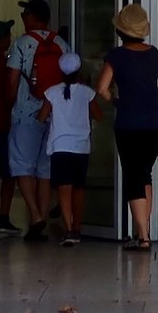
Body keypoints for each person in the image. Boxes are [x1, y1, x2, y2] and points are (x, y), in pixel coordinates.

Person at [96, 4, 158, 251]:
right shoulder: (154, 54)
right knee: (144, 173)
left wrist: (116, 101)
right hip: (156, 123)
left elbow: (102, 88)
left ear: (120, 31)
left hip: (129, 124)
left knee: (134, 176)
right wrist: (152, 95)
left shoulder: (116, 56)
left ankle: (142, 237)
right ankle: (145, 230)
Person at [2, 0, 65, 241]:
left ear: (33, 17)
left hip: (25, 113)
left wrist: (9, 104)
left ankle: (36, 216)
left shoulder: (21, 44)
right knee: (44, 170)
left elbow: (11, 81)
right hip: (54, 115)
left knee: (22, 165)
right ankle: (42, 222)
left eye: (24, 14)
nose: (22, 18)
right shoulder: (62, 44)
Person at [41, 51, 97, 245]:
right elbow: (98, 115)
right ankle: (78, 227)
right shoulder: (87, 92)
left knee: (64, 189)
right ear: (79, 70)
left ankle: (69, 229)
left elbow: (42, 116)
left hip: (61, 147)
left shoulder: (52, 92)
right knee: (79, 189)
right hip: (81, 147)